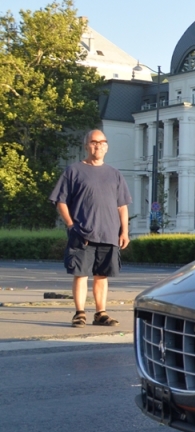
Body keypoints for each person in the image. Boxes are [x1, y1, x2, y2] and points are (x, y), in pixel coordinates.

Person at [49, 129, 132, 327]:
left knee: (101, 275)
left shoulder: (115, 174)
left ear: (107, 146)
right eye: (94, 142)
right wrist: (70, 224)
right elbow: (60, 201)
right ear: (87, 145)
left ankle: (100, 313)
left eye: (102, 142)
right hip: (82, 232)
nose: (98, 146)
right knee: (81, 273)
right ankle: (79, 313)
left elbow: (122, 206)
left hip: (109, 233)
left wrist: (124, 231)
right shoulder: (74, 171)